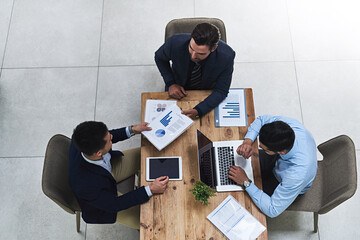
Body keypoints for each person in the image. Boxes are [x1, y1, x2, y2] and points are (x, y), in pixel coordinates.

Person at [68, 121, 169, 229]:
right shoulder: (86, 185)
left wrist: (133, 129)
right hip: (107, 204)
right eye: (110, 140)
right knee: (151, 221)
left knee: (146, 154)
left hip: (107, 171)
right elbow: (115, 204)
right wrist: (150, 189)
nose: (112, 136)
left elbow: (106, 136)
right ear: (98, 153)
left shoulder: (80, 137)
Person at [228, 115, 317, 218]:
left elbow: (273, 210)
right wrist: (248, 142)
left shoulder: (296, 176)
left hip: (283, 182)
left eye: (265, 149)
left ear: (281, 152)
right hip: (277, 162)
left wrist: (246, 182)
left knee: (237, 197)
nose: (259, 147)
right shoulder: (291, 126)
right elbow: (261, 120)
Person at [154, 22, 235, 118]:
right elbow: (159, 58)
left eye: (200, 54)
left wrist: (199, 110)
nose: (193, 56)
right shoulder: (174, 43)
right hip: (177, 85)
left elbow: (221, 91)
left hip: (207, 91)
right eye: (191, 48)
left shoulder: (227, 56)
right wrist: (170, 83)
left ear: (213, 48)